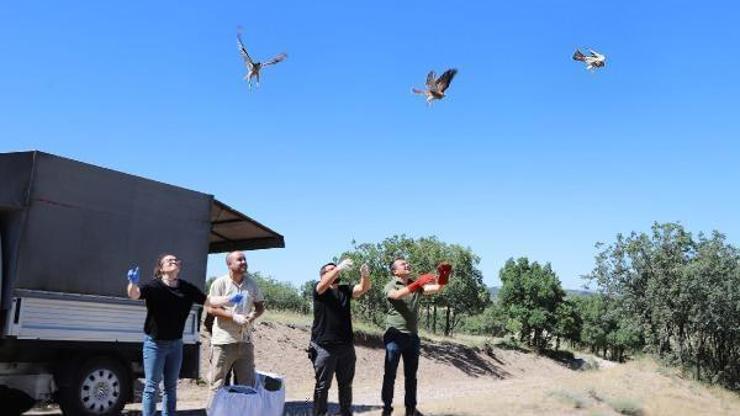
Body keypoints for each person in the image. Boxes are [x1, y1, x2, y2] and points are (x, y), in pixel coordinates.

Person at [126, 253, 243, 416]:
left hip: (175, 344)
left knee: (171, 387)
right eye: (169, 260)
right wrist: (132, 283)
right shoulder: (154, 286)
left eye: (176, 260)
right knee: (152, 387)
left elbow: (208, 301)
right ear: (161, 268)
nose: (174, 262)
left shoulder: (186, 288)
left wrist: (230, 299)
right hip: (155, 344)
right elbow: (135, 294)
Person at [380, 259, 452, 416]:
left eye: (407, 263)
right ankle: (386, 408)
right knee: (390, 374)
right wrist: (417, 283)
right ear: (394, 271)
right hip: (394, 336)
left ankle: (410, 409)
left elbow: (437, 288)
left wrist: (444, 275)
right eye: (402, 264)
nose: (407, 265)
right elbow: (397, 295)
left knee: (411, 376)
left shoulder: (417, 285)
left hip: (413, 338)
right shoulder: (391, 285)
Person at [309, 259, 371, 416]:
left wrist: (365, 275)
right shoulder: (319, 289)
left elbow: (363, 288)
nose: (336, 270)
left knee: (346, 384)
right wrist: (339, 268)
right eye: (330, 270)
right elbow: (322, 285)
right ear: (323, 275)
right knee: (323, 385)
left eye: (335, 268)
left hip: (346, 347)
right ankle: (319, 414)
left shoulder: (345, 290)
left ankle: (345, 412)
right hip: (324, 346)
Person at [205, 251, 266, 408]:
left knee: (247, 386)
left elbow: (260, 306)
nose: (244, 262)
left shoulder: (251, 284)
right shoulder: (220, 283)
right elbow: (211, 309)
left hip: (245, 342)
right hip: (224, 341)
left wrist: (252, 316)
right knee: (217, 385)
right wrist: (232, 316)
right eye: (239, 260)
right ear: (229, 264)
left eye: (245, 259)